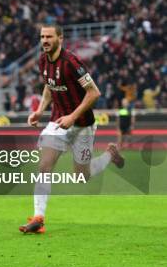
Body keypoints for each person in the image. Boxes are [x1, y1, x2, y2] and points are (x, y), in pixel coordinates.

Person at [19, 25, 124, 234]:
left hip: (82, 124)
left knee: (81, 176)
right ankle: (38, 218)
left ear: (60, 38)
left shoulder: (71, 63)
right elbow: (49, 86)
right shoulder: (42, 61)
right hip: (58, 122)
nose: (45, 40)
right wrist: (40, 110)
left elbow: (94, 93)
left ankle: (110, 155)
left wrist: (73, 117)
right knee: (44, 166)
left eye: (49, 36)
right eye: (42, 37)